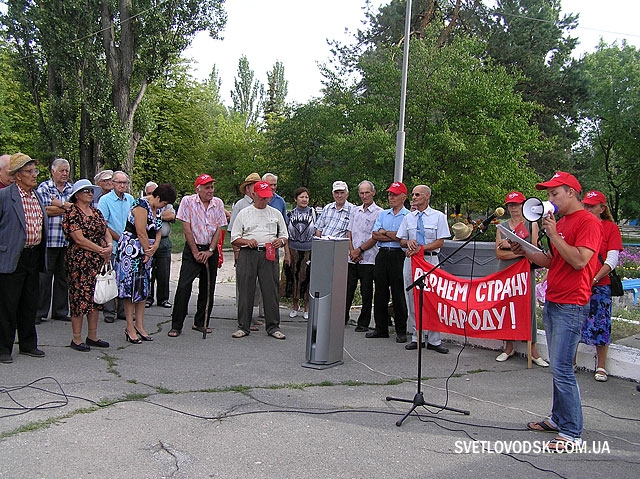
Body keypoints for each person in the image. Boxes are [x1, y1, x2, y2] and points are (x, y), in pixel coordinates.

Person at [516, 172, 601, 451]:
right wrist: (526, 250)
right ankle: (558, 418)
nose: (549, 199)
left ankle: (572, 432)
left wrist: (552, 233)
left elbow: (579, 261)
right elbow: (554, 262)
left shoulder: (588, 222)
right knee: (557, 366)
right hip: (555, 298)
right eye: (549, 194)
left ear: (571, 193)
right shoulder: (563, 222)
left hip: (572, 302)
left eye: (554, 194)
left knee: (563, 368)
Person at [0, 153, 47, 363]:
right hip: (11, 256)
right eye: (29, 171)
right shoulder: (5, 196)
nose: (34, 175)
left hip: (32, 254)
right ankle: (3, 349)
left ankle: (28, 344)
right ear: (17, 176)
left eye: (35, 171)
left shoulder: (36, 196)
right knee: (8, 305)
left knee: (30, 302)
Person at [116, 183, 176, 344]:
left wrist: (155, 247)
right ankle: (129, 327)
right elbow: (141, 230)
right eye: (163, 203)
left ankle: (140, 325)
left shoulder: (158, 208)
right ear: (156, 197)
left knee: (142, 289)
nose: (164, 207)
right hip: (133, 250)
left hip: (147, 251)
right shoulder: (141, 205)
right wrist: (147, 250)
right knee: (130, 290)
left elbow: (158, 229)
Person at [494, 191, 549, 367]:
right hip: (506, 272)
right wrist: (517, 253)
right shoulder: (502, 226)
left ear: (523, 205)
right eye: (511, 205)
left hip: (525, 272)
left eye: (517, 205)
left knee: (528, 307)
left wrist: (510, 246)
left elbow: (532, 251)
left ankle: (532, 349)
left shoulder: (531, 223)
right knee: (507, 306)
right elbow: (499, 253)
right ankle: (508, 346)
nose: (514, 208)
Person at [169, 175, 226, 337]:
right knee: (183, 286)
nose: (210, 191)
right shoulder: (188, 201)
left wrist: (210, 250)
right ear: (198, 189)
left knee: (208, 288)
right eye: (207, 187)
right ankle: (176, 324)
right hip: (193, 248)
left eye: (212, 187)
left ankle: (201, 322)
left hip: (210, 249)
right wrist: (195, 251)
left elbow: (219, 229)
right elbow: (186, 228)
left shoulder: (218, 203)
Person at [230, 180, 288, 339]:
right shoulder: (244, 213)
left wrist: (280, 241)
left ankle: (273, 326)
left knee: (270, 290)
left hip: (269, 253)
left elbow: (284, 234)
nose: (264, 200)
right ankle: (243, 326)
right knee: (246, 290)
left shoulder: (275, 213)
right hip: (248, 253)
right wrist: (246, 242)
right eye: (261, 197)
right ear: (253, 194)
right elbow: (234, 238)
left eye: (267, 197)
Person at [397, 184, 450, 353]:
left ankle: (434, 339)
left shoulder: (438, 217)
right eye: (413, 194)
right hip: (412, 261)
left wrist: (422, 248)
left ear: (427, 196)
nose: (413, 197)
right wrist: (409, 243)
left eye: (417, 194)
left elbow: (440, 242)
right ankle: (416, 336)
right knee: (412, 298)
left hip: (430, 260)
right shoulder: (408, 218)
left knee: (432, 299)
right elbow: (402, 240)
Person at [62, 179, 113, 352]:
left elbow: (106, 230)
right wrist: (101, 249)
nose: (90, 193)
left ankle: (92, 335)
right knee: (79, 299)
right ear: (77, 195)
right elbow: (79, 239)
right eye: (86, 191)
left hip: (97, 260)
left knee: (95, 299)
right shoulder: (72, 213)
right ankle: (76, 339)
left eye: (91, 191)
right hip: (79, 262)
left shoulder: (96, 212)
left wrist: (109, 246)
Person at [580, 190, 623, 382]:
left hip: (600, 284)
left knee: (602, 324)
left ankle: (601, 366)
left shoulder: (610, 228)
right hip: (579, 284)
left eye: (592, 206)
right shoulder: (580, 225)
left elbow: (611, 260)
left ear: (602, 208)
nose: (588, 209)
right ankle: (569, 362)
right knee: (574, 323)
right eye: (586, 205)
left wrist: (594, 279)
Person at [370, 182, 410, 342]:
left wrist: (385, 232)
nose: (391, 197)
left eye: (394, 194)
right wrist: (392, 235)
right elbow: (375, 235)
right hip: (382, 254)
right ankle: (381, 328)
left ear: (403, 197)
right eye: (389, 194)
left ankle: (401, 330)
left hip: (398, 255)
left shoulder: (408, 216)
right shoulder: (383, 214)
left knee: (398, 292)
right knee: (380, 292)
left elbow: (402, 237)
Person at [36, 158, 73, 323]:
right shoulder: (44, 187)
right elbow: (44, 210)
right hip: (49, 240)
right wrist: (66, 206)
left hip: (66, 241)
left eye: (67, 171)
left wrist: (59, 204)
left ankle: (60, 311)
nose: (65, 174)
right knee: (44, 278)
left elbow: (76, 210)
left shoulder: (72, 189)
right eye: (61, 170)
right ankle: (39, 312)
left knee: (63, 277)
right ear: (53, 171)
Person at [98, 171, 134, 323]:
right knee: (110, 277)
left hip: (128, 246)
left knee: (124, 278)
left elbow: (134, 220)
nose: (122, 185)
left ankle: (122, 311)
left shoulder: (130, 199)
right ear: (112, 183)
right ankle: (109, 311)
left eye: (124, 183)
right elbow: (103, 224)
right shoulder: (104, 200)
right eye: (119, 182)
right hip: (112, 244)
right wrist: (119, 238)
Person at [345, 180, 382, 330]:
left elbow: (375, 236)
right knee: (347, 289)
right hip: (352, 257)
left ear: (373, 193)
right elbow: (349, 232)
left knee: (366, 292)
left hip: (368, 258)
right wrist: (352, 250)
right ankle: (343, 317)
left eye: (367, 192)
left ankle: (363, 322)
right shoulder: (355, 210)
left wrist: (359, 250)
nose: (364, 196)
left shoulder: (379, 212)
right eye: (362, 193)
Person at [229, 172, 264, 326]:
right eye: (254, 185)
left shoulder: (263, 204)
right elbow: (233, 230)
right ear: (248, 189)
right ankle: (243, 317)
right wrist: (236, 252)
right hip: (244, 250)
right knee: (243, 285)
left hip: (259, 252)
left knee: (255, 285)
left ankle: (250, 315)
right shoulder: (240, 205)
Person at [283, 187, 316, 319]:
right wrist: (287, 253)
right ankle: (295, 306)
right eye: (301, 197)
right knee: (294, 278)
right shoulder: (290, 214)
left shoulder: (313, 213)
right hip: (293, 250)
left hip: (309, 250)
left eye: (306, 197)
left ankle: (307, 307)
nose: (304, 199)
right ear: (296, 199)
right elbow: (285, 234)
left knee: (307, 278)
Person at [144, 181, 176, 309]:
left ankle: (163, 299)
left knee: (164, 271)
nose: (152, 196)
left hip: (163, 240)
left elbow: (171, 215)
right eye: (149, 193)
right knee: (148, 270)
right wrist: (159, 215)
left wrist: (156, 215)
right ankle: (148, 298)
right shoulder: (142, 203)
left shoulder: (165, 203)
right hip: (147, 240)